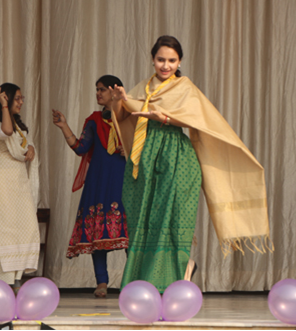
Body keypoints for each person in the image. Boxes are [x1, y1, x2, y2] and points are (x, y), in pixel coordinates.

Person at [110, 35, 270, 293]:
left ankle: (174, 273)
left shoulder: (184, 87)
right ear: (152, 59)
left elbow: (198, 120)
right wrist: (119, 100)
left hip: (175, 156)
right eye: (161, 59)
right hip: (145, 157)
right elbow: (122, 117)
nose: (166, 65)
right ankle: (144, 280)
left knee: (167, 217)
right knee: (142, 217)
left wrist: (163, 118)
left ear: (179, 61)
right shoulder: (143, 88)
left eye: (171, 60)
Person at [52, 75, 128, 298]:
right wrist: (64, 126)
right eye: (97, 89)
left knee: (129, 233)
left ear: (114, 91)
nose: (98, 93)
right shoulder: (93, 120)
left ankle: (131, 281)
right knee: (98, 232)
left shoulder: (130, 117)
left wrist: (131, 149)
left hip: (124, 180)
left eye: (102, 89)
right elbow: (80, 148)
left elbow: (143, 147)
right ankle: (101, 282)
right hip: (98, 181)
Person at [0, 83, 40, 291]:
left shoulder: (19, 125)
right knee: (5, 229)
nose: (21, 102)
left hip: (19, 185)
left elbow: (24, 144)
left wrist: (30, 147)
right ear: (6, 98)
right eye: (17, 98)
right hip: (2, 183)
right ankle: (4, 279)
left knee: (26, 226)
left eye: (22, 99)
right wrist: (3, 106)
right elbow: (6, 132)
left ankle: (16, 275)